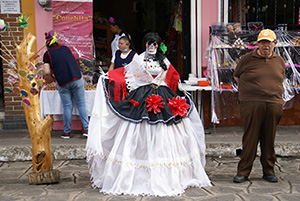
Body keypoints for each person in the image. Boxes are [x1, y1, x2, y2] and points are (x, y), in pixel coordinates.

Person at [86, 32, 211, 196]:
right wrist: (108, 77)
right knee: (137, 134)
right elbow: (125, 74)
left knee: (168, 134)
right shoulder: (138, 59)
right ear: (145, 44)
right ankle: (137, 175)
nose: (152, 47)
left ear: (158, 45)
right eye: (149, 44)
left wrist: (177, 91)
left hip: (164, 98)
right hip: (142, 98)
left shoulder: (164, 60)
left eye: (155, 44)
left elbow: (173, 77)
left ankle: (168, 176)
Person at [233, 29, 285, 183]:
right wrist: (248, 92)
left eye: (268, 43)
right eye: (262, 42)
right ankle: (243, 171)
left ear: (274, 44)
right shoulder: (247, 59)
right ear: (258, 44)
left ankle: (268, 171)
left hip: (274, 103)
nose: (265, 46)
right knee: (250, 137)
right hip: (251, 103)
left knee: (269, 137)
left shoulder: (280, 60)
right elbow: (236, 76)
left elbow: (279, 79)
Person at [43, 29, 89, 139]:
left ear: (47, 43)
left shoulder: (47, 54)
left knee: (67, 107)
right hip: (77, 78)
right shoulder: (65, 48)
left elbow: (47, 72)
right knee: (81, 104)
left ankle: (67, 132)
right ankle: (87, 130)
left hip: (63, 83)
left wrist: (53, 79)